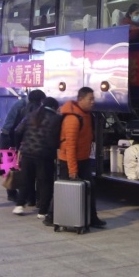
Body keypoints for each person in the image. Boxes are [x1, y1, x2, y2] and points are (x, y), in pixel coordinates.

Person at [44, 86, 106, 229]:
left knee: (90, 188)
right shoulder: (73, 119)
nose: (93, 102)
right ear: (80, 100)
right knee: (64, 191)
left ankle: (92, 218)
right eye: (90, 99)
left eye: (93, 99)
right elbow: (70, 146)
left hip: (83, 158)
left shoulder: (86, 115)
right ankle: (51, 216)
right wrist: (73, 170)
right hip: (69, 160)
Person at [14, 96, 62, 219]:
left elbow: (18, 131)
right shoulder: (55, 118)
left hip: (27, 153)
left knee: (26, 180)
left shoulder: (31, 115)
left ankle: (19, 205)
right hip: (44, 156)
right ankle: (42, 211)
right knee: (45, 183)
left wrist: (19, 147)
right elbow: (54, 140)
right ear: (54, 107)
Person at [0, 89, 46, 203]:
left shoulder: (27, 105)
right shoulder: (23, 107)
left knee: (19, 169)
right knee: (10, 169)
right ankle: (11, 193)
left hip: (13, 138)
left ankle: (22, 195)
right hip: (8, 137)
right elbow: (14, 129)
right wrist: (15, 147)